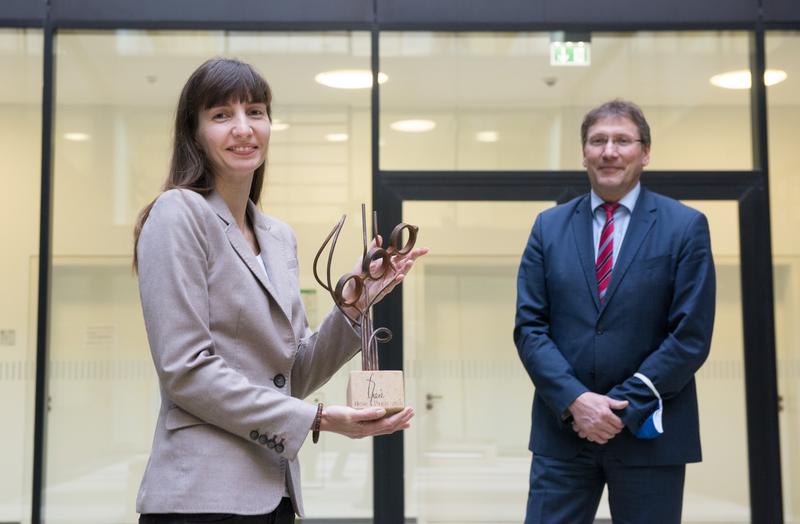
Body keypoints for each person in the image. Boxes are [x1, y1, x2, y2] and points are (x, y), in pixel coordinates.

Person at [132, 57, 426, 523]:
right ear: (194, 132)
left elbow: (289, 374)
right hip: (199, 499)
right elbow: (185, 371)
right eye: (221, 115)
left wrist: (353, 306)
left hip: (277, 497)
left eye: (255, 111)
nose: (244, 128)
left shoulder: (276, 236)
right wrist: (319, 419)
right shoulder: (178, 213)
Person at [513, 99, 715, 524]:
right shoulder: (547, 228)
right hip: (564, 433)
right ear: (583, 152)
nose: (609, 151)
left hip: (648, 435)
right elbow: (530, 328)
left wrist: (620, 407)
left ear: (645, 152)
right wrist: (577, 402)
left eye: (622, 140)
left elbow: (690, 336)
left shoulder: (684, 226)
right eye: (597, 140)